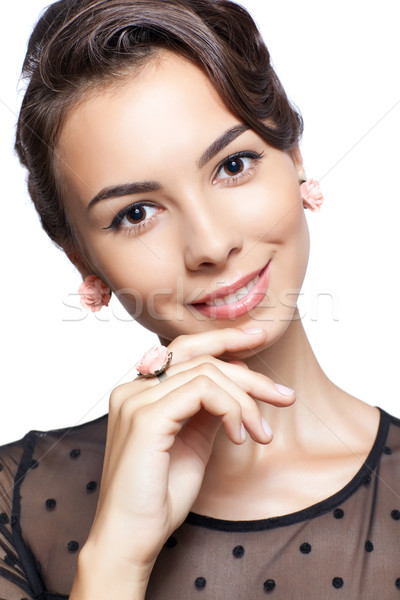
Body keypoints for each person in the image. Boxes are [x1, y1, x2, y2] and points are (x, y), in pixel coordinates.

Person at [1, 0, 399, 598]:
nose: (211, 245)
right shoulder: (15, 503)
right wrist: (114, 560)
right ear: (83, 260)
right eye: (136, 213)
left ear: (293, 160)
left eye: (233, 165)